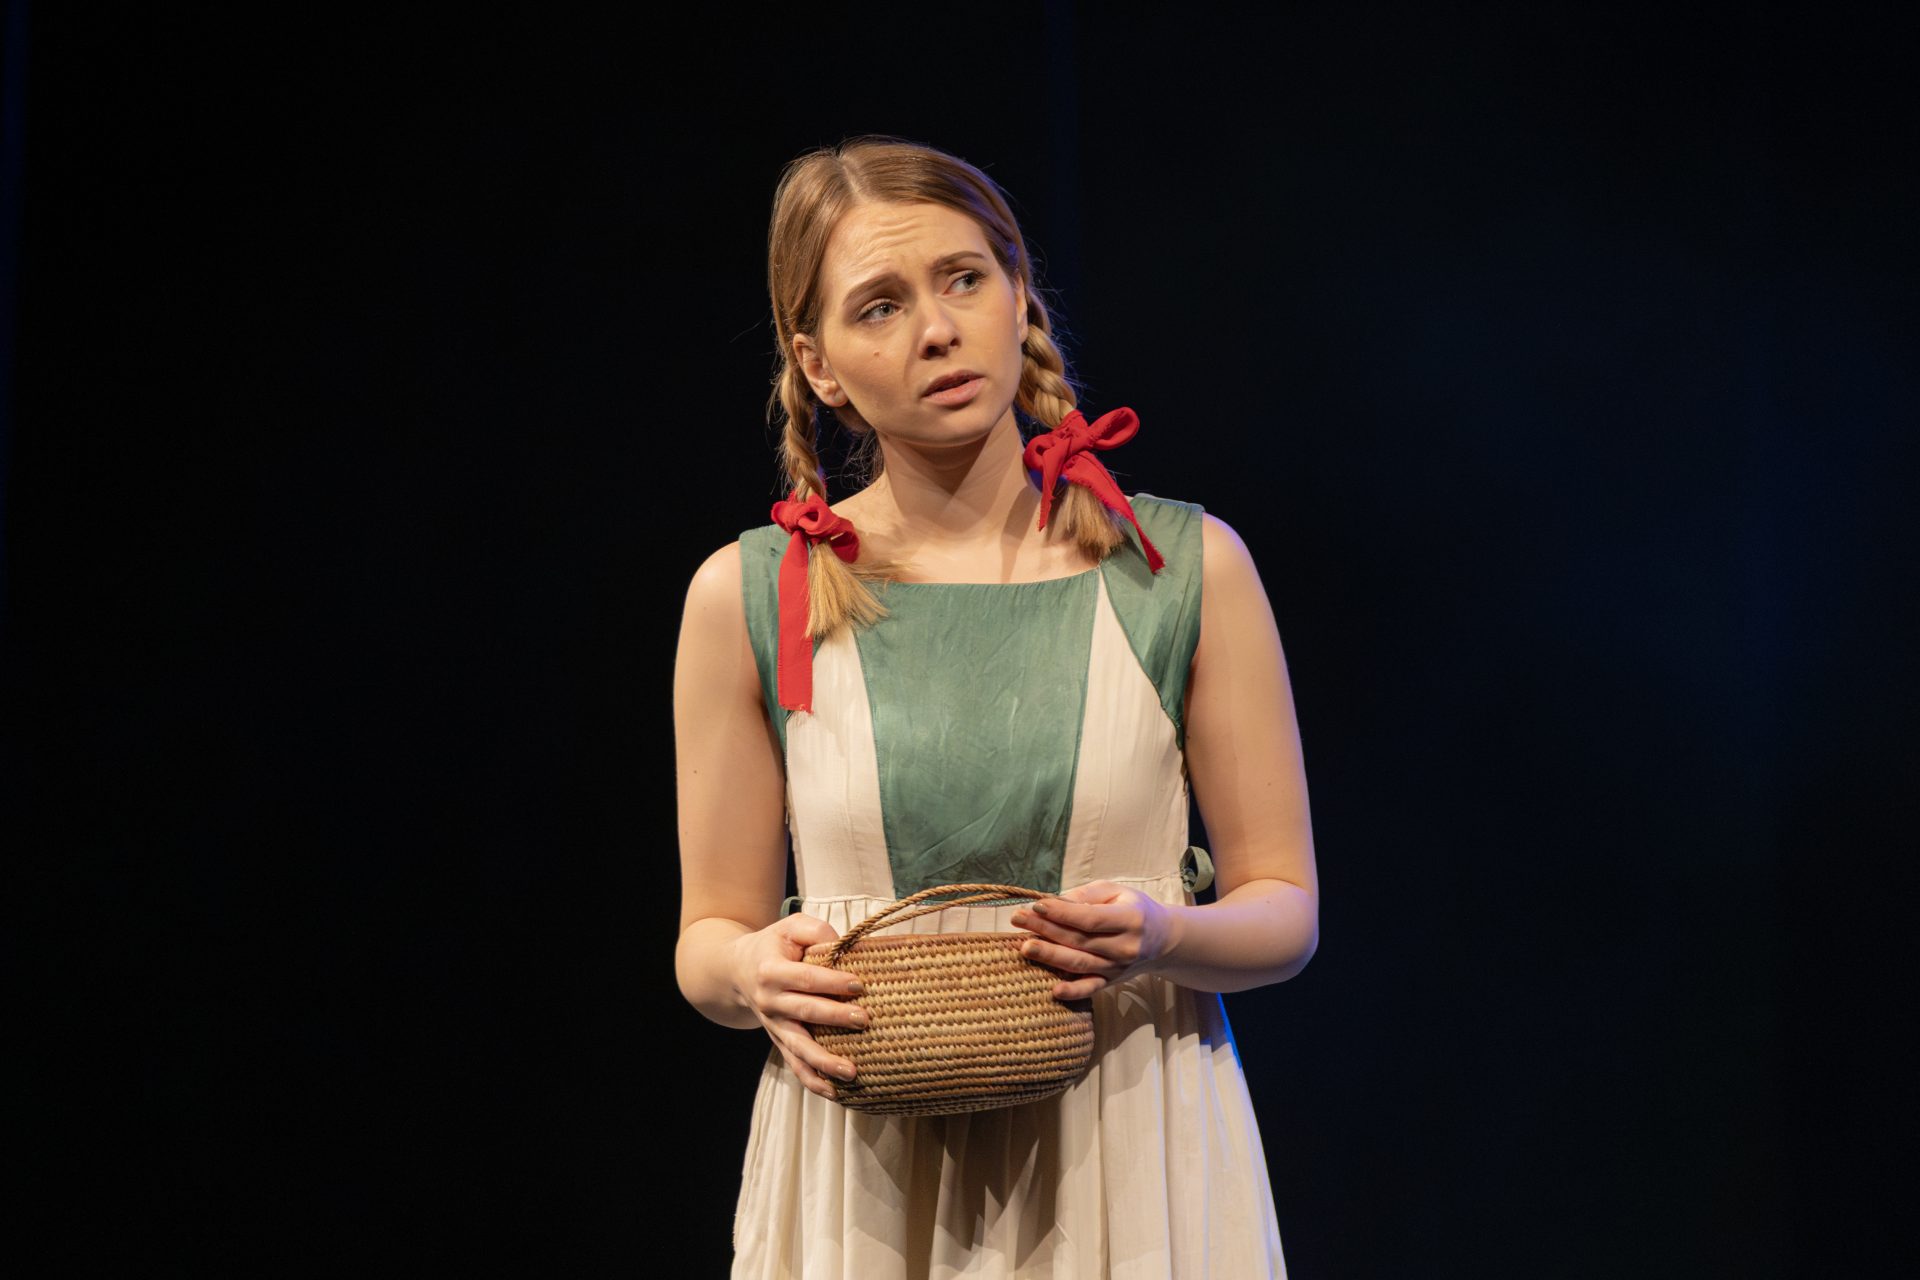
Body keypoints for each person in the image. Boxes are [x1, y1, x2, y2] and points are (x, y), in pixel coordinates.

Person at [673, 135, 1319, 1278]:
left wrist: (1164, 933)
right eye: (880, 306)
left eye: (964, 278)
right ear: (819, 366)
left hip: (1130, 1147)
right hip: (866, 1176)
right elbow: (708, 934)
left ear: (1020, 295)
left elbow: (1285, 907)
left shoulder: (1181, 568)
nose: (936, 328)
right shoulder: (752, 593)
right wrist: (750, 970)